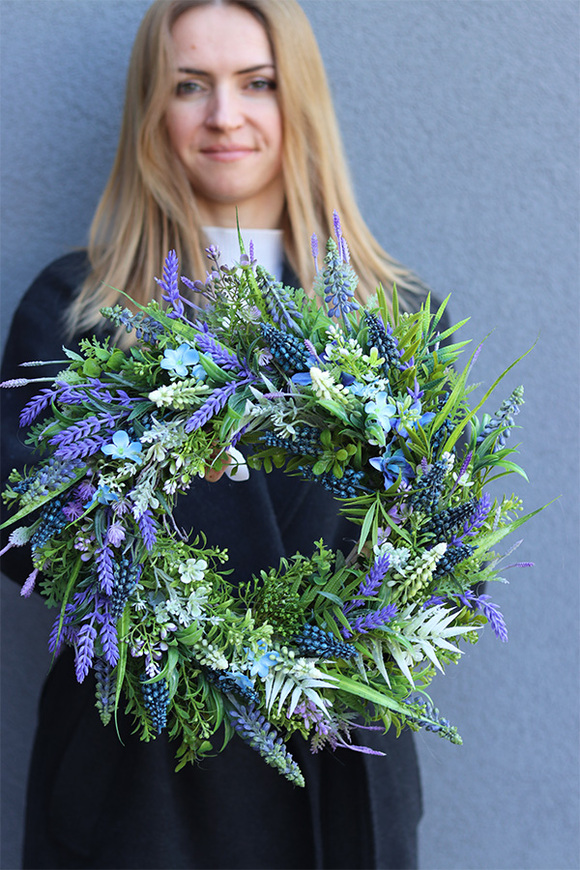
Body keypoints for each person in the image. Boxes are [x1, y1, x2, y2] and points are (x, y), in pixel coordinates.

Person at [1, 2, 442, 868]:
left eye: (258, 84)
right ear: (151, 111)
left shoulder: (401, 321)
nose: (225, 116)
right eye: (189, 86)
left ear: (300, 100)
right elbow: (26, 528)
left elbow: (437, 552)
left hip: (337, 791)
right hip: (140, 795)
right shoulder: (77, 314)